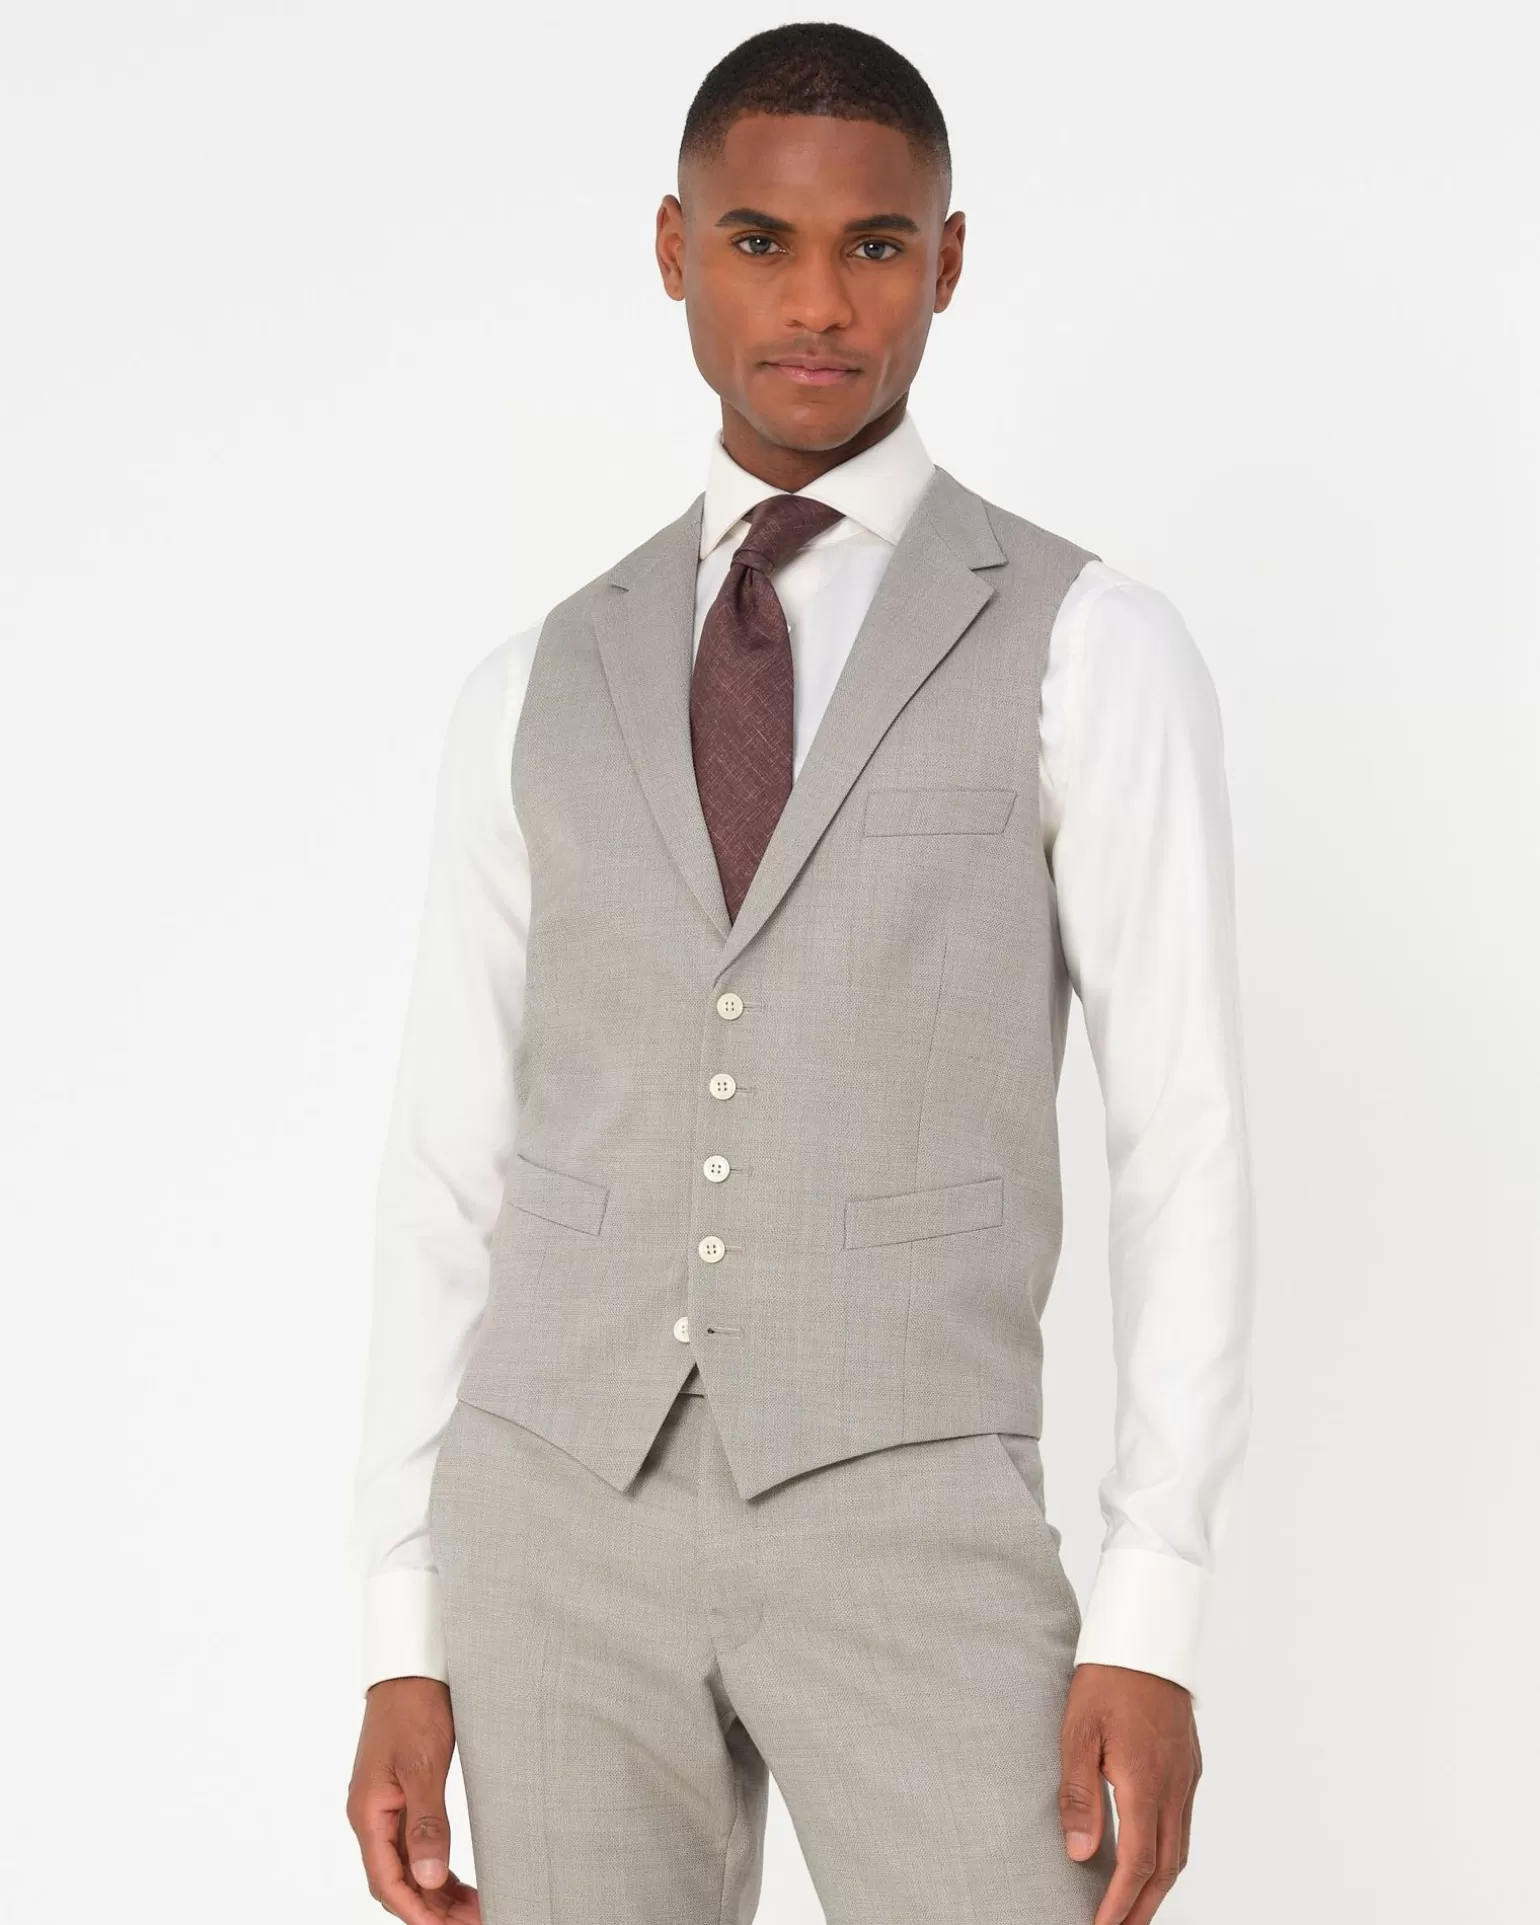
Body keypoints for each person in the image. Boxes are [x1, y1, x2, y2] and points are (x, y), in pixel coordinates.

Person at [345, 21, 1256, 1925]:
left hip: (914, 1515)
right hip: (554, 1520)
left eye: (878, 246)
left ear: (948, 260)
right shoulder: (534, 681)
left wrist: (1151, 1608)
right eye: (762, 242)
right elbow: (449, 1164)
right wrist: (401, 1629)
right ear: (676, 249)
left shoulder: (1089, 643)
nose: (821, 303)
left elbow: (1181, 1139)